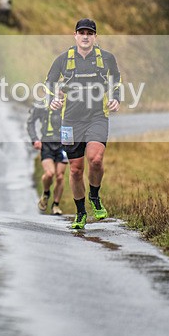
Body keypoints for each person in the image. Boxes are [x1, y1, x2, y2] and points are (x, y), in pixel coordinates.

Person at [45, 18, 121, 229]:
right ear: (75, 36)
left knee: (95, 159)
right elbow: (49, 82)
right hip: (70, 121)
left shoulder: (106, 58)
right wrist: (52, 98)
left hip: (97, 116)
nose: (85, 36)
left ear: (95, 37)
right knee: (76, 170)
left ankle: (94, 197)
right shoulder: (63, 59)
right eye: (82, 32)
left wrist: (116, 97)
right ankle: (80, 213)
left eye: (90, 33)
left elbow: (116, 78)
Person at [26, 100, 68, 215]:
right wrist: (35, 139)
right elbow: (30, 122)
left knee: (60, 176)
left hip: (63, 144)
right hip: (47, 144)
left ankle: (56, 205)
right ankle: (45, 193)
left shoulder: (70, 103)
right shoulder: (42, 104)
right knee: (50, 173)